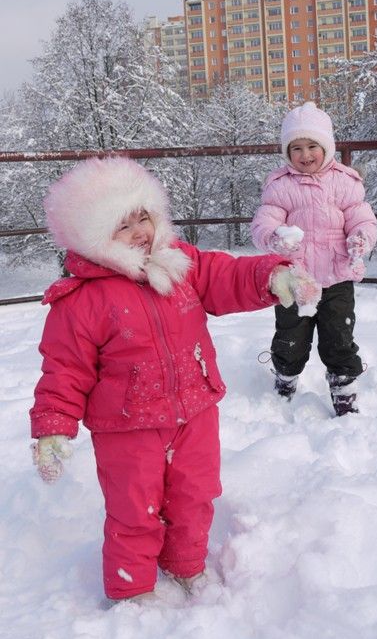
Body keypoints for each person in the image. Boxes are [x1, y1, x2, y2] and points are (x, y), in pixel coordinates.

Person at [30, 156, 321, 604]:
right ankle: (132, 589)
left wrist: (273, 274)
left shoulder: (180, 264)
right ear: (93, 234)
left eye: (144, 216)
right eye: (123, 225)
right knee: (134, 509)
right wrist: (53, 427)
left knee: (195, 494)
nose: (140, 231)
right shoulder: (82, 301)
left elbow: (227, 274)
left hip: (194, 409)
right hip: (127, 426)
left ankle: (185, 564)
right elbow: (64, 370)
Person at [251, 101, 377, 416]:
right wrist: (274, 236)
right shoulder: (281, 186)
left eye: (312, 146)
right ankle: (286, 375)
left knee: (339, 336)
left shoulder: (345, 182)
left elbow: (362, 219)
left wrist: (361, 239)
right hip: (296, 279)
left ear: (327, 147)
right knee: (290, 336)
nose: (305, 155)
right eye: (296, 148)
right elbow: (263, 223)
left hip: (337, 275)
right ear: (287, 152)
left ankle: (344, 385)